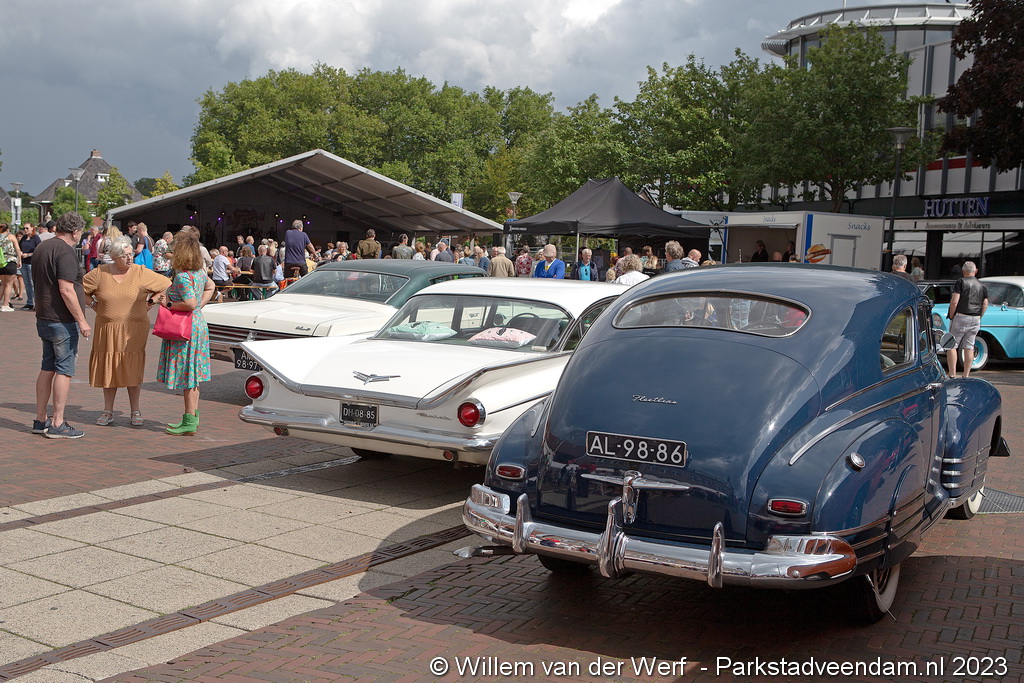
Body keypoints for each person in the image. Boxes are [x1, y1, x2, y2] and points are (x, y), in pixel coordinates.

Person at [83, 237, 171, 427]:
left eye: (131, 254)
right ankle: (108, 410)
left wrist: (151, 302)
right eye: (125, 255)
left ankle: (135, 410)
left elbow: (166, 283)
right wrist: (93, 305)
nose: (130, 258)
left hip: (134, 329)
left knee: (132, 366)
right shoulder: (100, 273)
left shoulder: (140, 272)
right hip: (107, 328)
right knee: (108, 366)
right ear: (115, 257)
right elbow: (80, 289)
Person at [32, 212, 92, 438]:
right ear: (75, 232)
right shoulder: (65, 251)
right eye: (80, 233)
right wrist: (82, 320)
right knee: (64, 370)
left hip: (44, 316)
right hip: (61, 320)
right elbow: (66, 289)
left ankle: (40, 419)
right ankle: (57, 422)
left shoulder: (42, 247)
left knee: (47, 367)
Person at [157, 230, 215, 435]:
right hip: (197, 324)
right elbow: (211, 286)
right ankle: (193, 417)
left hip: (186, 329)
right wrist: (200, 305)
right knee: (193, 374)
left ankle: (189, 420)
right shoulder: (199, 272)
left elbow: (189, 303)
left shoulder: (182, 277)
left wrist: (169, 304)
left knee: (188, 375)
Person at [946, 261, 988, 379]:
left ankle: (952, 374)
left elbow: (954, 301)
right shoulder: (982, 285)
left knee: (952, 345)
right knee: (969, 346)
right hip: (975, 318)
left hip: (961, 316)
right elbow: (985, 304)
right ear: (976, 271)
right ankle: (966, 374)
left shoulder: (961, 282)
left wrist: (952, 315)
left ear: (963, 271)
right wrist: (979, 316)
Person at [0, 223, 25, 312]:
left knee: (3, 283)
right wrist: (19, 260)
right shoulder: (11, 236)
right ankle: (5, 304)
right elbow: (17, 249)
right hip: (10, 261)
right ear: (8, 229)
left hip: (1, 262)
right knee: (9, 284)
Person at [18, 223, 41, 311]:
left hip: (31, 262)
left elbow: (38, 250)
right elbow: (19, 248)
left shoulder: (36, 238)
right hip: (24, 262)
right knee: (27, 283)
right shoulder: (23, 238)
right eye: (24, 228)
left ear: (32, 228)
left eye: (27, 228)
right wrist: (20, 253)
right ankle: (29, 302)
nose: (25, 230)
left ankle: (36, 303)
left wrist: (28, 254)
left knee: (32, 282)